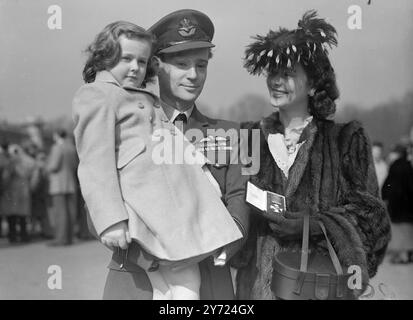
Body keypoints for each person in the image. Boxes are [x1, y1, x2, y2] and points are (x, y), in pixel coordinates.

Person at [73, 20, 242, 300]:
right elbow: (97, 187)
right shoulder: (118, 116)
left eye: (201, 65)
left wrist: (228, 242)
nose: (193, 75)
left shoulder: (229, 133)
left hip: (210, 274)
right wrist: (149, 247)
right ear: (158, 66)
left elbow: (238, 196)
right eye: (181, 65)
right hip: (136, 275)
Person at [235, 10, 391, 299]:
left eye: (288, 74)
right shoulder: (248, 137)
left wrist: (317, 225)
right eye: (272, 72)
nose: (276, 81)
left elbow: (373, 221)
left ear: (314, 83)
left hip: (318, 287)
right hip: (255, 289)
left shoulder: (345, 140)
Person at [46, 129, 78, 246]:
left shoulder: (56, 148)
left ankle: (60, 239)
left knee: (60, 213)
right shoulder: (71, 148)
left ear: (57, 135)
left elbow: (53, 166)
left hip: (58, 184)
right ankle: (69, 238)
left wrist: (47, 166)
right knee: (70, 212)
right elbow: (75, 165)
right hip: (70, 183)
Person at [382, 142, 413, 264]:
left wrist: (385, 195)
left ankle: (401, 254)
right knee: (407, 229)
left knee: (398, 229)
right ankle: (407, 253)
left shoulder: (395, 165)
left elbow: (388, 182)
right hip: (407, 204)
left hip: (395, 203)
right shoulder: (408, 166)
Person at [0, 144, 36, 243]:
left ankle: (13, 237)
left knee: (11, 216)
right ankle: (24, 236)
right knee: (23, 216)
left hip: (11, 191)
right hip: (24, 190)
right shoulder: (27, 162)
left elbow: (6, 177)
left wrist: (2, 187)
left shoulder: (11, 163)